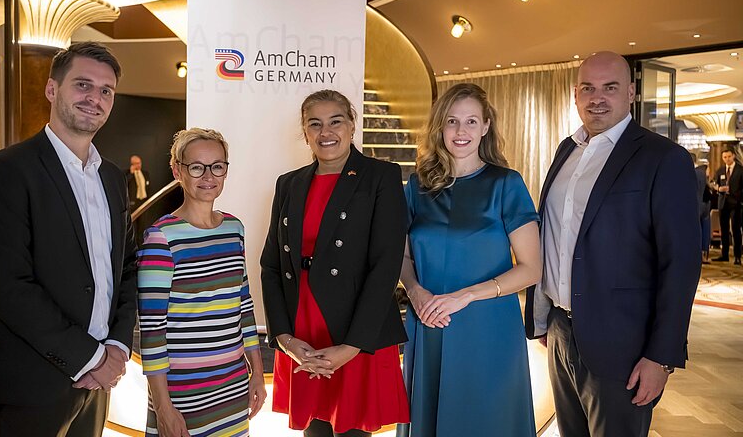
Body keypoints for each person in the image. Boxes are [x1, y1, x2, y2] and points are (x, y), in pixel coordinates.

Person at [525, 51, 701, 437]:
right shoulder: (565, 151)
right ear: (575, 95)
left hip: (623, 344)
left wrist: (661, 356)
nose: (597, 97)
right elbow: (554, 237)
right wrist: (542, 317)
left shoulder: (664, 159)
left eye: (610, 87)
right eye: (588, 88)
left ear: (631, 93)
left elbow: (681, 265)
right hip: (560, 331)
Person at [0, 41, 137, 436]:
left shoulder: (113, 178)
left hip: (96, 383)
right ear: (52, 89)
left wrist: (116, 347)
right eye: (83, 85)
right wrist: (92, 357)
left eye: (105, 91)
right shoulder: (5, 171)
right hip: (27, 383)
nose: (94, 98)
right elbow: (11, 286)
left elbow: (127, 268)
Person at [260, 89, 409, 437]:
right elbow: (271, 265)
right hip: (303, 328)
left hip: (356, 327)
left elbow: (385, 265)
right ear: (305, 131)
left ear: (352, 125)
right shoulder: (289, 184)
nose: (326, 132)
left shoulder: (380, 176)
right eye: (315, 124)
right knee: (315, 428)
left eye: (335, 121)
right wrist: (284, 338)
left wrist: (352, 346)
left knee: (352, 430)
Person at [396, 83, 541, 437]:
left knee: (486, 421)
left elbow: (531, 268)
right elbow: (400, 254)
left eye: (471, 121)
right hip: (428, 320)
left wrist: (466, 296)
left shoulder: (506, 184)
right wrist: (414, 291)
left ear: (486, 126)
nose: (461, 132)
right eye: (452, 121)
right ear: (439, 128)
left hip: (487, 326)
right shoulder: (416, 187)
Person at [137, 128, 266, 436]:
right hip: (182, 396)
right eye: (197, 167)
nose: (208, 176)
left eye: (217, 166)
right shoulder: (161, 238)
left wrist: (258, 375)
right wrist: (164, 408)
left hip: (232, 388)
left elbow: (244, 305)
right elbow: (152, 333)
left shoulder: (234, 228)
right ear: (177, 170)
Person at [712, 149, 743, 263]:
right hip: (723, 203)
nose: (727, 159)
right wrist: (718, 188)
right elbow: (714, 183)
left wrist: (739, 197)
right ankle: (724, 254)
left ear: (733, 156)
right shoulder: (720, 170)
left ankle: (737, 256)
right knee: (723, 230)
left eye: (729, 156)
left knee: (735, 230)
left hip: (736, 204)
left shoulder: (740, 170)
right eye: (724, 157)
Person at [693, 153, 711, 263]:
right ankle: (704, 255)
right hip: (704, 206)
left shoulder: (697, 172)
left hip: (700, 206)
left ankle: (701, 255)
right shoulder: (701, 173)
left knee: (700, 230)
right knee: (704, 230)